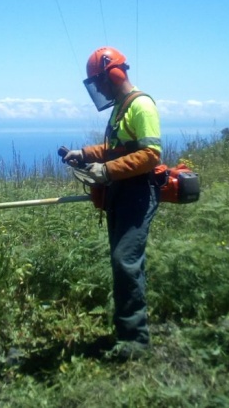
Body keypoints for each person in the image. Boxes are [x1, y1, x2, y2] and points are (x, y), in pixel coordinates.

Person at [60, 46, 162, 360]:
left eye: (99, 82)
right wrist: (83, 154)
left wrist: (105, 171)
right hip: (120, 191)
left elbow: (151, 155)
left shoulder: (141, 105)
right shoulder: (120, 108)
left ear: (113, 74)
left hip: (138, 192)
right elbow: (113, 149)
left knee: (124, 261)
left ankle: (134, 343)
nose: (100, 89)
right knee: (123, 263)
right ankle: (126, 331)